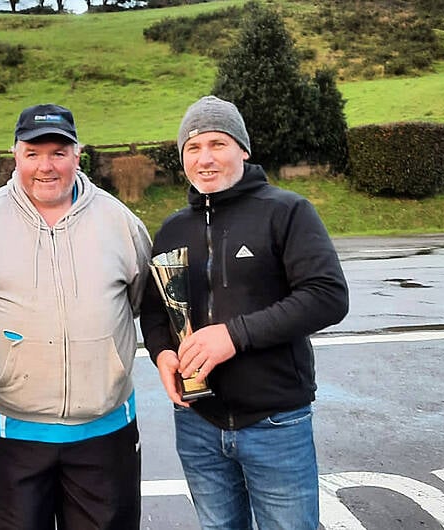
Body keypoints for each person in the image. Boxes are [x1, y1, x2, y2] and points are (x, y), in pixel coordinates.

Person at [139, 96, 349, 530]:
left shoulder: (286, 211)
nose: (205, 158)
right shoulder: (173, 228)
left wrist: (232, 336)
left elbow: (327, 295)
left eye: (218, 143)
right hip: (197, 422)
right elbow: (156, 310)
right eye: (192, 148)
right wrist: (162, 353)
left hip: (274, 421)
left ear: (243, 149)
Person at [0, 103, 152, 530]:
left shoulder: (120, 222)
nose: (45, 166)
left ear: (77, 155)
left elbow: (141, 301)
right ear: (15, 155)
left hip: (105, 435)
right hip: (11, 435)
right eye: (33, 153)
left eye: (58, 153)